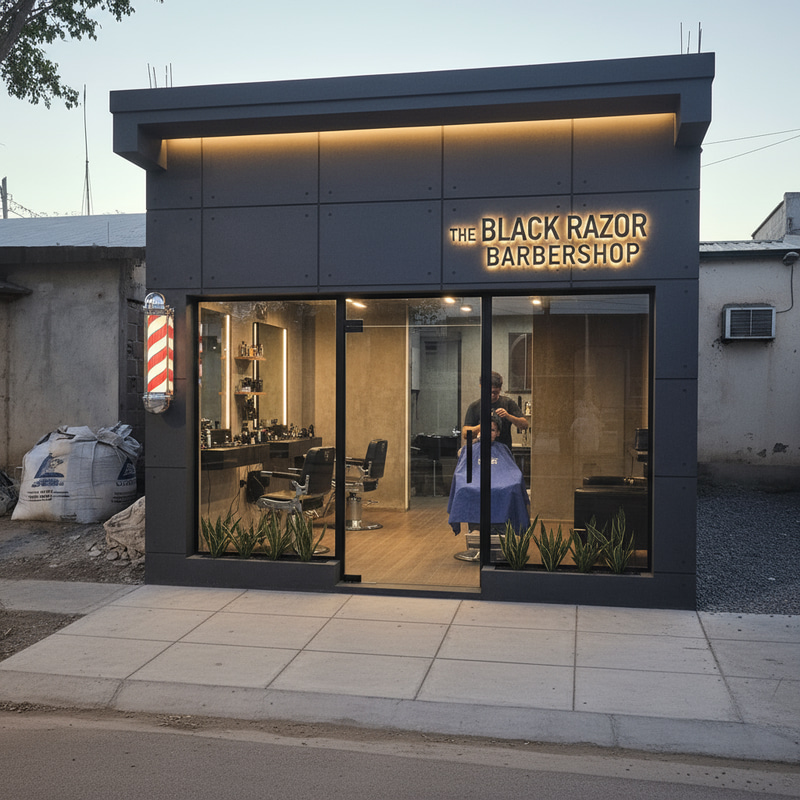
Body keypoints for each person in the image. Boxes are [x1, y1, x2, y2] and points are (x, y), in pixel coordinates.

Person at [461, 371, 528, 449]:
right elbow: (465, 433)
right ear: (481, 387)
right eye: (490, 392)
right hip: (481, 451)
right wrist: (484, 427)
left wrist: (508, 416)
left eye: (495, 392)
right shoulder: (475, 406)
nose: (492, 395)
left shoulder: (508, 403)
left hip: (503, 452)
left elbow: (525, 425)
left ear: (500, 388)